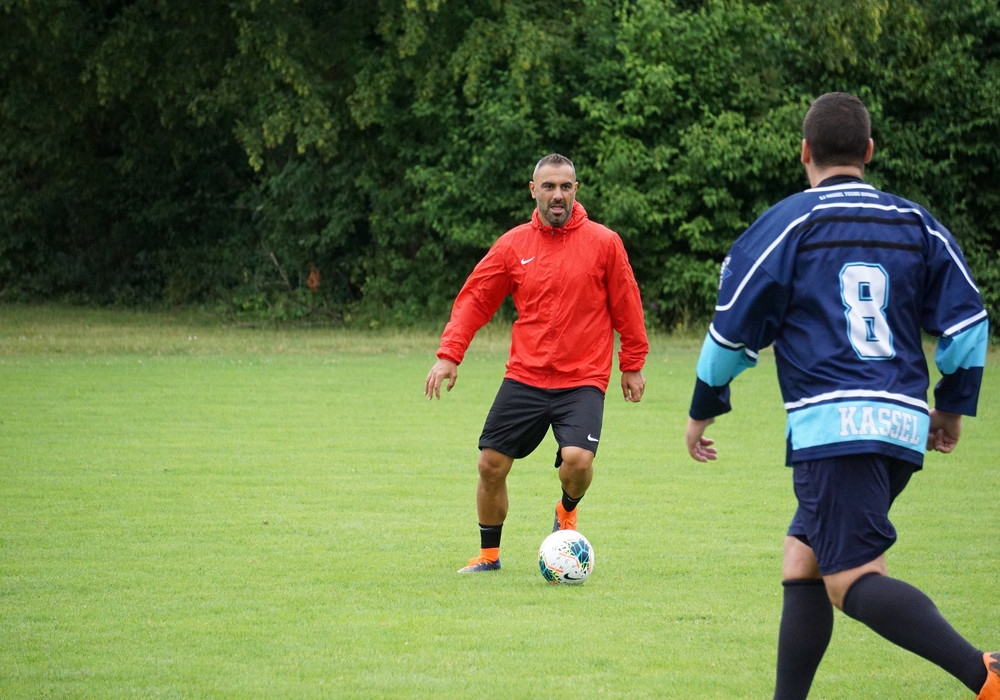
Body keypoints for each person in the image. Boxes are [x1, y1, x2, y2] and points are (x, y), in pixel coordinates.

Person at [684, 93, 996, 699]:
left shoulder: (789, 223)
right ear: (869, 152)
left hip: (834, 429)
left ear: (804, 151)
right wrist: (952, 408)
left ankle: (985, 674)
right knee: (802, 560)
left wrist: (703, 408)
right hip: (901, 426)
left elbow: (731, 331)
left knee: (850, 580)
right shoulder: (915, 223)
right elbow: (968, 324)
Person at [425, 153, 649, 574]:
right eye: (548, 186)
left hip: (582, 378)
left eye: (565, 186)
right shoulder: (513, 245)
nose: (557, 195)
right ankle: (488, 557)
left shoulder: (604, 243)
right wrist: (449, 355)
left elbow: (627, 303)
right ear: (534, 191)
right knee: (490, 465)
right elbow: (476, 299)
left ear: (576, 189)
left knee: (578, 460)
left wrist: (632, 363)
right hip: (525, 376)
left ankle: (567, 511)